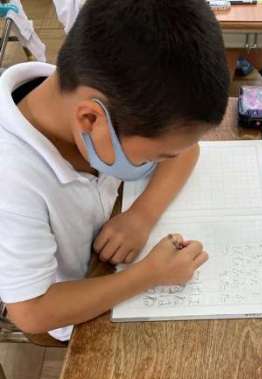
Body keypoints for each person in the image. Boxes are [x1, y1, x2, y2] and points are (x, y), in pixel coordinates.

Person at [0, 0, 230, 341]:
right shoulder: (11, 181)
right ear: (91, 119)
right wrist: (149, 274)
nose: (164, 159)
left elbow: (184, 151)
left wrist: (142, 215)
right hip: (71, 310)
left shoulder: (92, 95)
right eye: (156, 155)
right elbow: (31, 312)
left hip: (109, 253)